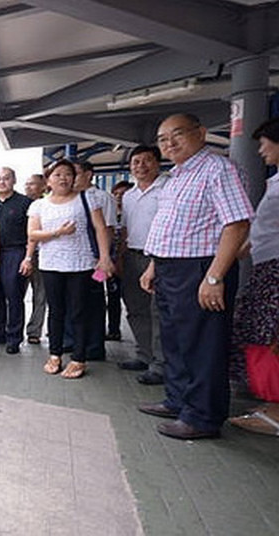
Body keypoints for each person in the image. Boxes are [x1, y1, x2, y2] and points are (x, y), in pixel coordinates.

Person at [138, 113, 253, 440]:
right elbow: (170, 226)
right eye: (162, 139)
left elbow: (237, 224)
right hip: (170, 266)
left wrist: (214, 277)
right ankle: (177, 401)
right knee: (175, 341)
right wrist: (153, 266)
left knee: (203, 345)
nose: (169, 143)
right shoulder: (176, 175)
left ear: (201, 133)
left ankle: (202, 417)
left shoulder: (218, 169)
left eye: (177, 135)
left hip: (201, 267)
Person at [228, 114, 279, 438]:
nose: (259, 150)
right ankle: (276, 405)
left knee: (276, 338)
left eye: (265, 143)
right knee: (266, 333)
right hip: (271, 267)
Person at [28, 160, 114, 379]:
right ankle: (55, 354)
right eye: (57, 174)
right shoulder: (39, 205)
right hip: (50, 264)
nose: (63, 178)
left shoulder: (86, 198)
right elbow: (32, 235)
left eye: (68, 174)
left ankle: (78, 358)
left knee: (78, 311)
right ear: (48, 180)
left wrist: (104, 257)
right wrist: (58, 233)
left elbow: (100, 228)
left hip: (81, 264)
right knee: (56, 311)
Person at [116, 147, 167, 385]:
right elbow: (125, 229)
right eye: (136, 162)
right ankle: (144, 356)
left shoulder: (167, 188)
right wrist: (119, 257)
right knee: (135, 310)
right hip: (132, 257)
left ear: (157, 163)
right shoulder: (129, 195)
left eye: (147, 161)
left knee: (158, 312)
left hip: (158, 258)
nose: (141, 166)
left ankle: (160, 364)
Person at [69, 160, 117, 361]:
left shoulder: (102, 197)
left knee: (95, 301)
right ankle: (75, 342)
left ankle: (95, 347)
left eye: (76, 173)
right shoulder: (70, 198)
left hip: (96, 258)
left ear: (89, 174)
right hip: (75, 260)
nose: (71, 178)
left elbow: (108, 229)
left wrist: (104, 257)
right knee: (76, 302)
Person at [0, 167, 33, 354]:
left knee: (13, 295)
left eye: (6, 179)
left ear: (14, 180)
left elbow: (32, 234)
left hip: (16, 252)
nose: (2, 182)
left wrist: (28, 257)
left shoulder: (25, 203)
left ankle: (14, 337)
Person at [106, 180, 133, 341]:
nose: (119, 197)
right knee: (110, 296)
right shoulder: (111, 213)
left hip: (128, 261)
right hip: (107, 263)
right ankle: (113, 329)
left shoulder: (132, 213)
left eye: (122, 194)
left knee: (130, 296)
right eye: (116, 193)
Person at [23, 173, 47, 345]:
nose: (28, 187)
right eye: (27, 184)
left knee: (40, 294)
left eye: (33, 184)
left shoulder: (47, 205)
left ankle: (34, 331)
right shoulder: (19, 204)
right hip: (19, 254)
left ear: (43, 187)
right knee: (16, 294)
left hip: (41, 254)